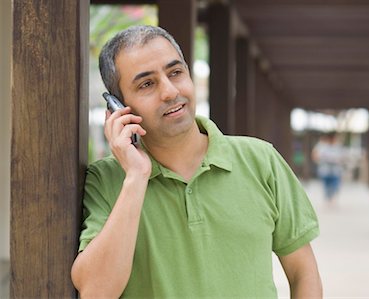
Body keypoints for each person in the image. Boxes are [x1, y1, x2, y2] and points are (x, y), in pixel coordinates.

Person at [71, 25, 321, 298]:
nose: (169, 91)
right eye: (147, 84)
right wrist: (136, 177)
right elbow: (95, 291)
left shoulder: (261, 161)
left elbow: (303, 272)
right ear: (118, 108)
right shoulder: (105, 180)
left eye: (175, 72)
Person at [312, 132, 346, 203]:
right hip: (325, 169)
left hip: (335, 170)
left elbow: (343, 157)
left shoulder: (338, 146)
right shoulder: (322, 145)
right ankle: (328, 198)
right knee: (326, 185)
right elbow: (315, 155)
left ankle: (332, 197)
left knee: (334, 184)